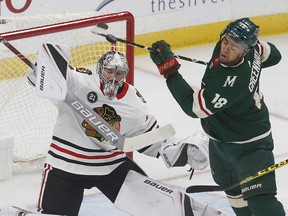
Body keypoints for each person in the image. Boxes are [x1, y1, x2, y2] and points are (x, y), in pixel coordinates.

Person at [23, 49, 227, 216]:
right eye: (110, 71)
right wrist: (42, 72)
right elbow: (50, 80)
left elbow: (146, 137)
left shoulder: (133, 102)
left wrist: (181, 150)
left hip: (109, 165)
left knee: (158, 203)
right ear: (100, 69)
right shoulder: (78, 82)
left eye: (119, 73)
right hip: (66, 163)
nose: (114, 77)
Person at [149, 17, 286, 216]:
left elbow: (193, 107)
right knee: (235, 195)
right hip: (219, 142)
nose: (226, 48)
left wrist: (170, 72)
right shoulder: (253, 48)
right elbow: (275, 55)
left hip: (250, 145)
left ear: (245, 50)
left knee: (261, 202)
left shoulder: (232, 84)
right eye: (226, 41)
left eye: (235, 46)